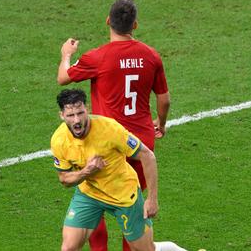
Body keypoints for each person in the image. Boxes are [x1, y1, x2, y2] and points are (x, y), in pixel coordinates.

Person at [58, 0, 171, 251]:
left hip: (106, 143)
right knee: (132, 203)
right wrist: (160, 123)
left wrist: (66, 55)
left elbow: (63, 77)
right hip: (141, 143)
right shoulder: (151, 56)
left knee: (94, 194)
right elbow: (164, 100)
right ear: (135, 25)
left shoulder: (97, 57)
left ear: (108, 21)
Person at [51, 89, 186, 251]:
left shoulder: (110, 130)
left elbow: (147, 155)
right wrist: (86, 172)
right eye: (70, 115)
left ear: (87, 109)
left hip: (123, 195)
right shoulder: (59, 140)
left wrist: (152, 198)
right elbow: (64, 179)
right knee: (68, 248)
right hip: (90, 194)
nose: (77, 120)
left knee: (144, 249)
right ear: (61, 115)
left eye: (80, 113)